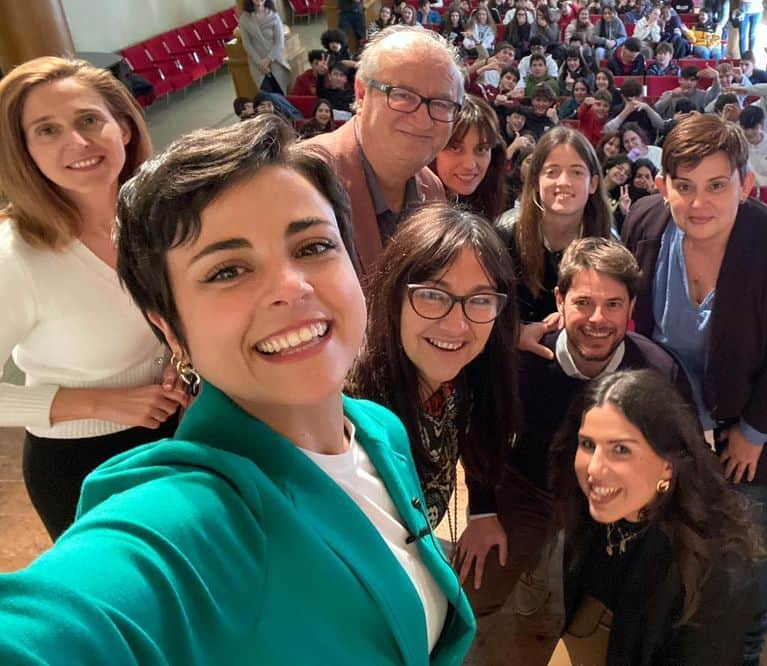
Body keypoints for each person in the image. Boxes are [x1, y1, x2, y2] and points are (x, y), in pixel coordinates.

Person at [0, 117, 476, 662]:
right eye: (228, 270)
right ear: (171, 330)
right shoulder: (186, 519)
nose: (291, 287)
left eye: (314, 246)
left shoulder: (378, 429)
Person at [622, 115, 767, 663]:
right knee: (665, 535)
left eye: (716, 185)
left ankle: (744, 648)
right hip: (666, 422)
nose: (698, 203)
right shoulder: (645, 223)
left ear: (746, 183)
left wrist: (755, 434)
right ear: (662, 184)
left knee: (743, 549)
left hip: (744, 429)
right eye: (683, 186)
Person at [456, 239, 687, 617]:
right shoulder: (522, 361)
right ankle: (533, 561)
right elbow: (480, 429)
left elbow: (680, 455)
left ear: (631, 307)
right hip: (528, 486)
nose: (598, 319)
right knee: (473, 590)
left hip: (612, 498)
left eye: (613, 304)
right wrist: (482, 511)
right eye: (584, 303)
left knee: (602, 607)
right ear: (560, 300)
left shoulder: (657, 373)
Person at [0, 57, 180, 540]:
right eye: (47, 131)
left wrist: (176, 357)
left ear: (122, 127)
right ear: (25, 152)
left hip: (177, 431)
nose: (76, 143)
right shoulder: (15, 256)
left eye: (88, 120)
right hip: (81, 464)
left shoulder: (156, 216)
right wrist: (104, 402)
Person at [548, 368, 759, 665]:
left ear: (668, 466)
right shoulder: (595, 512)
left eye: (620, 449)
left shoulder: (717, 570)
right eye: (588, 444)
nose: (594, 468)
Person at [347, 204, 518, 533]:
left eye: (480, 300)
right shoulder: (346, 418)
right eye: (433, 295)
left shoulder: (461, 384)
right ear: (394, 295)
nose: (457, 325)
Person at [307, 26, 455, 286]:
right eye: (402, 96)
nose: (422, 120)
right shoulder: (306, 180)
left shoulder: (432, 190)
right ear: (362, 94)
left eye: (442, 104)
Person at [497, 126, 611, 325]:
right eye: (552, 172)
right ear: (535, 181)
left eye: (576, 172)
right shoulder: (505, 232)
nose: (564, 181)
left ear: (592, 184)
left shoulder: (608, 245)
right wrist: (517, 335)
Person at [432, 96, 506, 223]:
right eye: (455, 148)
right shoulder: (408, 207)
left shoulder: (489, 202)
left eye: (481, 149)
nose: (470, 164)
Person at [237, 0, 291, 95]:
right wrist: (260, 63)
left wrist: (268, 60)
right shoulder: (244, 19)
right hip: (258, 65)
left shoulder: (274, 16)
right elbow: (247, 44)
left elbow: (279, 42)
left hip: (275, 61)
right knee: (268, 97)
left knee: (281, 94)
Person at [740, 104, 767, 186]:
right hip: (747, 194)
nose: (749, 133)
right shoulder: (738, 147)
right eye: (745, 129)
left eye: (754, 128)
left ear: (762, 125)